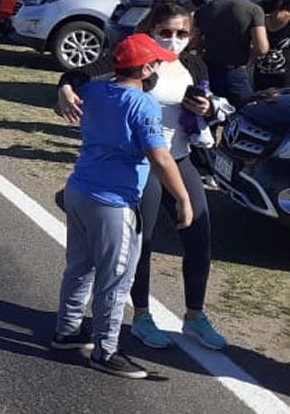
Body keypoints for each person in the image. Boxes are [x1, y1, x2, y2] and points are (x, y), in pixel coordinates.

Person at [58, 0, 229, 355]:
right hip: (146, 164)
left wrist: (208, 106)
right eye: (166, 32)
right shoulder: (138, 59)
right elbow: (79, 74)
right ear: (152, 29)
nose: (173, 39)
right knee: (142, 244)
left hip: (179, 158)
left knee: (199, 237)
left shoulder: (194, 66)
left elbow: (214, 103)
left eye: (181, 33)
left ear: (191, 33)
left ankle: (195, 315)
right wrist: (64, 87)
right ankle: (143, 314)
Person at [52, 34, 194, 379]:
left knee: (80, 266)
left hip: (80, 189)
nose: (158, 66)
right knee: (115, 278)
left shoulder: (94, 90)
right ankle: (106, 349)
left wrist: (65, 87)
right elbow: (160, 157)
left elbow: (74, 81)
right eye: (155, 62)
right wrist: (183, 197)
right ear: (145, 69)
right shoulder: (143, 104)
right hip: (114, 202)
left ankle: (68, 330)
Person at [192, 0, 268, 107]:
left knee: (212, 113)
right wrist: (248, 57)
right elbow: (262, 47)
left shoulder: (204, 11)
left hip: (208, 71)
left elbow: (194, 43)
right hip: (236, 70)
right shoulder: (253, 10)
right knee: (242, 112)